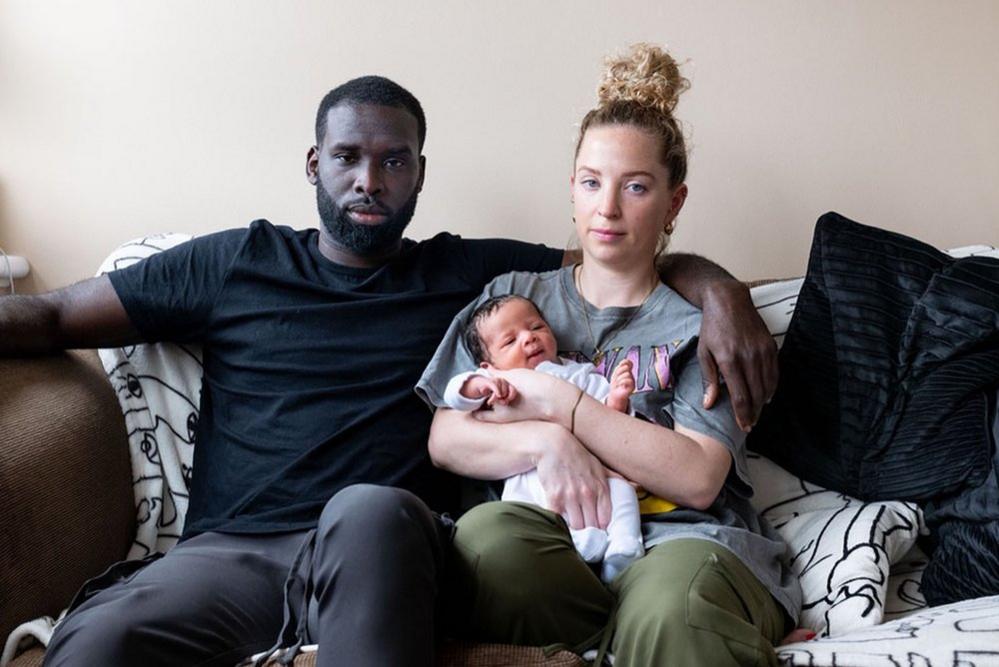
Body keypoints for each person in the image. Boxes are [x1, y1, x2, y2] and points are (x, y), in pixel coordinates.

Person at [0, 74, 778, 666]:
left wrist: (721, 292)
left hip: (382, 545)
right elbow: (57, 314)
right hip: (231, 553)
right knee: (97, 639)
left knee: (369, 506)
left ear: (418, 173)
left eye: (392, 160)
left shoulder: (474, 280)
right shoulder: (236, 261)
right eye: (347, 157)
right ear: (314, 163)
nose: (369, 180)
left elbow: (619, 250)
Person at [419, 44, 802, 666]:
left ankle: (660, 626)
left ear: (673, 203)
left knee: (670, 610)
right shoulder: (513, 301)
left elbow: (699, 478)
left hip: (680, 539)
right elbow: (446, 437)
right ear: (572, 187)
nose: (608, 208)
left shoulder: (703, 325)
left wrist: (560, 403)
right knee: (487, 545)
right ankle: (623, 632)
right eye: (593, 183)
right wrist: (551, 443)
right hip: (548, 539)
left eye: (637, 187)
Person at [443, 294, 647, 582]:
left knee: (623, 491)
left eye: (536, 327)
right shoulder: (499, 382)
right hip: (531, 482)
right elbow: (455, 395)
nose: (529, 338)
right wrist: (479, 385)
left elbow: (611, 426)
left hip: (594, 474)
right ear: (489, 365)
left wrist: (616, 398)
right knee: (523, 517)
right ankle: (568, 556)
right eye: (509, 341)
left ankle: (623, 549)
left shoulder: (579, 374)